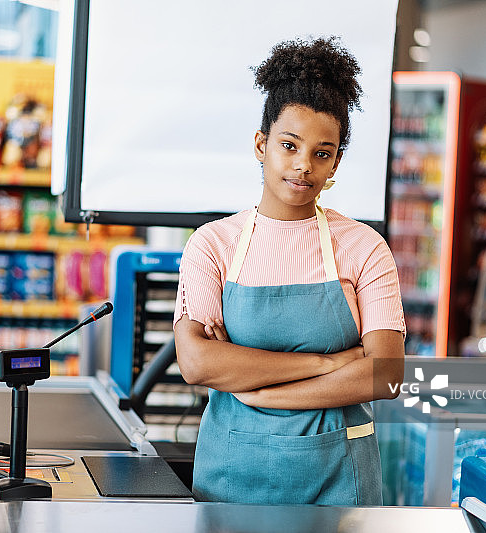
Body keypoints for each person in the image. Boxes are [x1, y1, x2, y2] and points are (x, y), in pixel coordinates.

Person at [172, 36, 406, 506]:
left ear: (336, 160)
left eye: (322, 153)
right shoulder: (212, 244)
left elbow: (385, 375)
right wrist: (330, 363)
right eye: (289, 145)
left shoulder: (364, 247)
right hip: (233, 482)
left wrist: (260, 392)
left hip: (339, 487)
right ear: (261, 145)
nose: (303, 166)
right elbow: (197, 363)